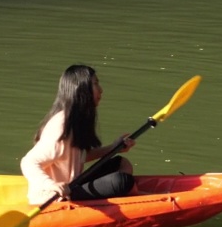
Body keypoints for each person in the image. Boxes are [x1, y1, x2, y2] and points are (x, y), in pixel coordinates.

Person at [20, 64, 136, 205]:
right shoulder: (62, 125)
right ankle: (134, 196)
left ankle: (129, 194)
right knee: (121, 181)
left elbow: (79, 157)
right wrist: (51, 185)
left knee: (121, 163)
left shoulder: (77, 120)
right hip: (55, 196)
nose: (101, 90)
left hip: (74, 185)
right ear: (80, 89)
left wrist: (113, 147)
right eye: (95, 84)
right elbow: (28, 162)